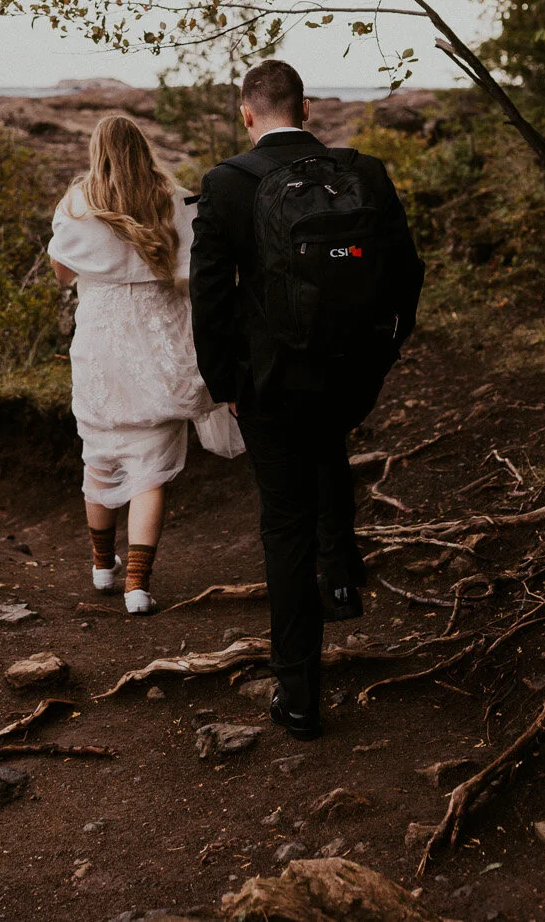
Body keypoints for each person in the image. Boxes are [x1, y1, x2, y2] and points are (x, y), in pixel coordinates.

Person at [190, 60, 424, 739]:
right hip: (349, 375)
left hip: (272, 385)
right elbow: (405, 272)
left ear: (246, 114)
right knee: (330, 452)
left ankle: (299, 696)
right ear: (307, 108)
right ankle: (342, 582)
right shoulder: (364, 173)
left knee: (284, 523)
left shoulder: (228, 184)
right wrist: (385, 350)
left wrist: (227, 384)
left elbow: (209, 296)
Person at [49, 115, 243, 615]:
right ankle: (138, 587)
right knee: (149, 471)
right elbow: (194, 270)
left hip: (101, 344)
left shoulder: (76, 204)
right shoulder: (173, 198)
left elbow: (62, 273)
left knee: (99, 456)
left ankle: (101, 568)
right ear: (143, 148)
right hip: (159, 342)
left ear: (97, 152)